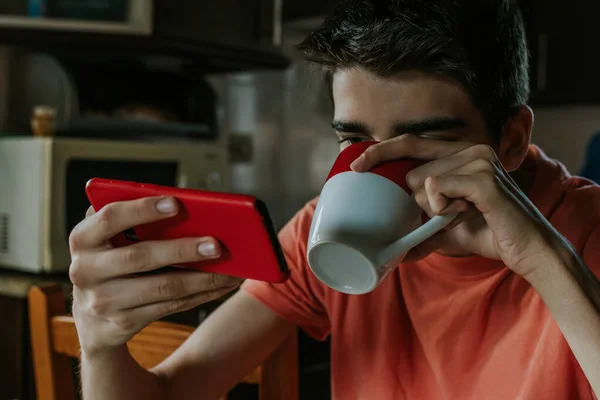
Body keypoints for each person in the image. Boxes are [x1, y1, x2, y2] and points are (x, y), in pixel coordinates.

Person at [68, 0, 600, 399]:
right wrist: (100, 345)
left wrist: (541, 260)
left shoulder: (588, 230)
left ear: (509, 141)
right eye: (355, 141)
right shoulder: (322, 234)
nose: (378, 171)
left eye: (426, 141)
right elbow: (171, 393)